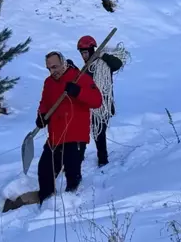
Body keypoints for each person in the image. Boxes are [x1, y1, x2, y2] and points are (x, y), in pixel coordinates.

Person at [35, 51, 102, 203]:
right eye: (49, 68)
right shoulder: (49, 82)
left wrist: (78, 92)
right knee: (45, 170)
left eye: (55, 67)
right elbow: (44, 103)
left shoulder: (80, 78)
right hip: (55, 136)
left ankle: (72, 203)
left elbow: (97, 101)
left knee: (72, 172)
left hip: (75, 135)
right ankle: (46, 202)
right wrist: (42, 116)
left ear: (64, 63)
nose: (53, 71)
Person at [77, 35, 123, 167]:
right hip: (88, 105)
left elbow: (117, 64)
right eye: (82, 54)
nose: (84, 56)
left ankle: (103, 159)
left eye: (85, 53)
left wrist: (102, 55)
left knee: (99, 132)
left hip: (104, 105)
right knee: (82, 131)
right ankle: (79, 158)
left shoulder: (104, 65)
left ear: (92, 50)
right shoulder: (86, 70)